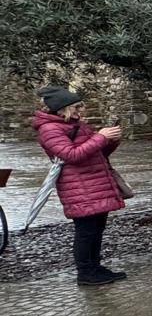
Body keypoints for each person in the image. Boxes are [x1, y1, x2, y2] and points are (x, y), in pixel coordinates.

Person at [30, 86, 128, 286]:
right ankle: (85, 273)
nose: (80, 110)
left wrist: (110, 141)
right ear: (62, 108)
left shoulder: (76, 125)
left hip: (95, 182)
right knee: (86, 231)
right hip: (78, 187)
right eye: (76, 107)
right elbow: (71, 155)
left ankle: (95, 268)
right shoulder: (49, 129)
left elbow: (96, 152)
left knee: (97, 229)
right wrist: (101, 137)